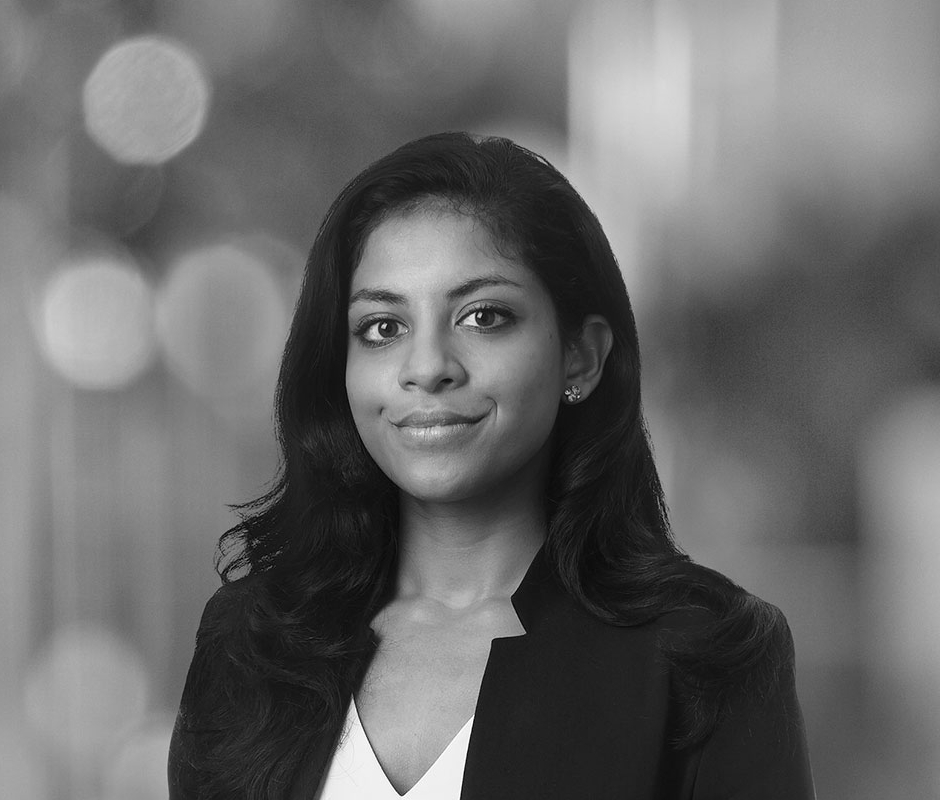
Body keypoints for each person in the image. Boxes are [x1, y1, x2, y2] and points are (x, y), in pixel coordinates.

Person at [168, 132, 815, 799]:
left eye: (483, 316)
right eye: (383, 327)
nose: (427, 368)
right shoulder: (252, 639)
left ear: (581, 357)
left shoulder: (704, 655)